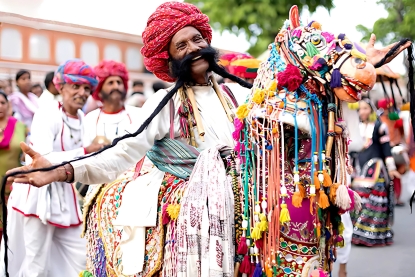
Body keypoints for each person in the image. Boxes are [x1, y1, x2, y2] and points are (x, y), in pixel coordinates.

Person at [4, 3, 411, 276]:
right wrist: (59, 170)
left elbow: (293, 100)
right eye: (181, 45)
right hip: (197, 214)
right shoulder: (166, 104)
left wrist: (350, 72)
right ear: (170, 59)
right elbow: (121, 152)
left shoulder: (239, 93)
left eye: (197, 39)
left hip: (250, 206)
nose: (194, 48)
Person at [1, 59, 103, 277]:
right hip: (37, 197)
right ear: (61, 87)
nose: (82, 93)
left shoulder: (83, 117)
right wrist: (86, 151)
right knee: (35, 265)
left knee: (81, 259)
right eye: (76, 86)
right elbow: (43, 159)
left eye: (87, 88)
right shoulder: (47, 113)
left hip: (66, 198)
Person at [350, 97, 400, 247]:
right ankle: (358, 233)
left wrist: (391, 168)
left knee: (374, 201)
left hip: (376, 169)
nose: (362, 111)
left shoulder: (380, 126)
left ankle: (372, 235)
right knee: (359, 200)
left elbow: (386, 149)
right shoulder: (355, 127)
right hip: (359, 168)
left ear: (371, 110)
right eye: (360, 109)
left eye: (365, 108)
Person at [83, 60, 141, 147]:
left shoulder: (137, 114)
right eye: (110, 83)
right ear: (99, 91)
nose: (116, 86)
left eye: (119, 82)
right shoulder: (90, 119)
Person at [0, 90, 26, 239]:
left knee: (10, 231)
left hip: (10, 187)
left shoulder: (20, 126)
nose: (0, 106)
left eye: (3, 102)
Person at [377, 97, 407, 206]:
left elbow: (401, 133)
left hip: (396, 149)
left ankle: (396, 197)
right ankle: (388, 197)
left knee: (397, 175)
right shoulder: (379, 120)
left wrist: (402, 145)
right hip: (386, 151)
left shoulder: (395, 119)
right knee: (386, 176)